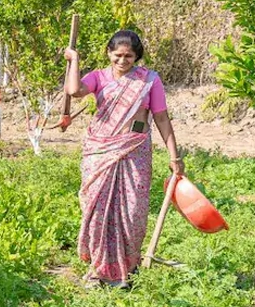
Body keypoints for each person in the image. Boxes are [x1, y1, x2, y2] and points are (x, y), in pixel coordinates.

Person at [64, 30, 184, 288]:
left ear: (137, 56)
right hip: (100, 151)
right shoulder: (98, 77)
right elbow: (74, 91)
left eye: (129, 56)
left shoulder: (149, 80)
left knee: (132, 212)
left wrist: (175, 156)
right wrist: (73, 59)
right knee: (96, 209)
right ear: (109, 54)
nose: (122, 60)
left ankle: (127, 269)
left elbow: (161, 118)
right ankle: (99, 269)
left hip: (135, 150)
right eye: (117, 55)